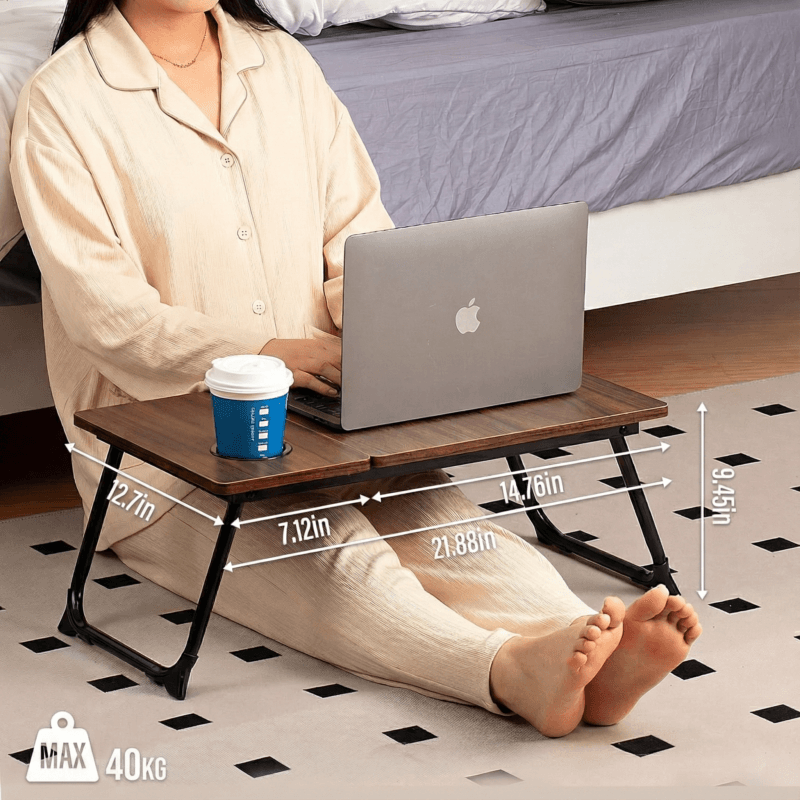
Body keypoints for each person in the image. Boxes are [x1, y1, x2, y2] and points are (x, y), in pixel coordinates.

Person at [10, 0, 701, 739]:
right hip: (167, 454)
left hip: (321, 409)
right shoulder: (62, 101)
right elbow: (106, 316)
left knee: (443, 518)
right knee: (328, 542)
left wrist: (381, 332)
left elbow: (358, 232)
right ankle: (503, 670)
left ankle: (582, 640)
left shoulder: (279, 63)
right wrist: (270, 354)